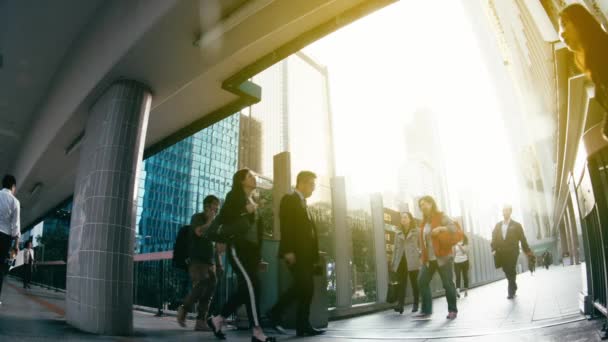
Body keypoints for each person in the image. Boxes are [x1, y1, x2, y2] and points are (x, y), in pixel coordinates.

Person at [208, 169, 275, 342]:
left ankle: (218, 318)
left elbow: (256, 233)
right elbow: (227, 218)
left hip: (251, 251)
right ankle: (257, 331)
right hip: (238, 249)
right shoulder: (234, 196)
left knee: (246, 289)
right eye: (250, 176)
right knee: (253, 285)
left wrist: (259, 257)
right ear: (241, 181)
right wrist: (245, 210)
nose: (254, 178)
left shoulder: (253, 200)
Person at [268, 171, 325, 337]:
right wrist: (288, 251)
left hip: (306, 255)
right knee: (305, 287)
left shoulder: (304, 203)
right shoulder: (290, 199)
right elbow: (286, 226)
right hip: (296, 253)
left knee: (305, 288)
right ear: (302, 183)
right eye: (312, 184)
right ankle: (276, 313)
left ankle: (302, 325)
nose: (313, 188)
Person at [559, 4, 608, 140]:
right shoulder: (595, 64)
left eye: (564, 24)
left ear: (579, 22)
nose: (561, 33)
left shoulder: (603, 52)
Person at [176, 195, 222, 332]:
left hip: (210, 261)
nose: (217, 208)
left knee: (209, 292)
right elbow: (199, 232)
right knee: (201, 284)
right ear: (207, 206)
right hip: (197, 260)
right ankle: (184, 308)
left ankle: (201, 321)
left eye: (218, 205)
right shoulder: (197, 217)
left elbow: (214, 244)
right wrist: (210, 220)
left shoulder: (215, 222)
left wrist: (219, 263)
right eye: (215, 205)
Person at [415, 196, 459, 320]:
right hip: (429, 259)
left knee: (448, 284)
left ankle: (452, 310)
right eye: (421, 205)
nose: (423, 206)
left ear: (431, 204)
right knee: (422, 281)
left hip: (443, 257)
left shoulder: (441, 216)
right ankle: (426, 310)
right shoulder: (423, 222)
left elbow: (454, 228)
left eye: (425, 204)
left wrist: (441, 228)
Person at [491, 205, 531, 299]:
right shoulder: (498, 225)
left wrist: (527, 251)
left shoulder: (516, 225)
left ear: (510, 212)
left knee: (511, 268)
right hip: (501, 252)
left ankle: (510, 291)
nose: (505, 212)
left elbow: (522, 239)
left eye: (507, 210)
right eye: (504, 210)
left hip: (513, 251)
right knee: (506, 270)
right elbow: (493, 238)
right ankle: (514, 285)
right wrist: (493, 249)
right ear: (502, 212)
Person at [391, 211, 420, 314]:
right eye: (401, 217)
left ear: (410, 219)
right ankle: (400, 305)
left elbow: (421, 245)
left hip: (412, 260)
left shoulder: (417, 231)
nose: (403, 219)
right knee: (401, 283)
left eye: (405, 217)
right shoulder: (398, 232)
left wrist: (419, 255)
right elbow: (395, 248)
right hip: (401, 260)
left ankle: (416, 303)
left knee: (414, 283)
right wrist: (393, 262)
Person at [0, 175, 21, 305]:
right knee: (1, 268)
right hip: (4, 238)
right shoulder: (15, 201)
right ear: (13, 186)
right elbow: (16, 225)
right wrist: (16, 245)